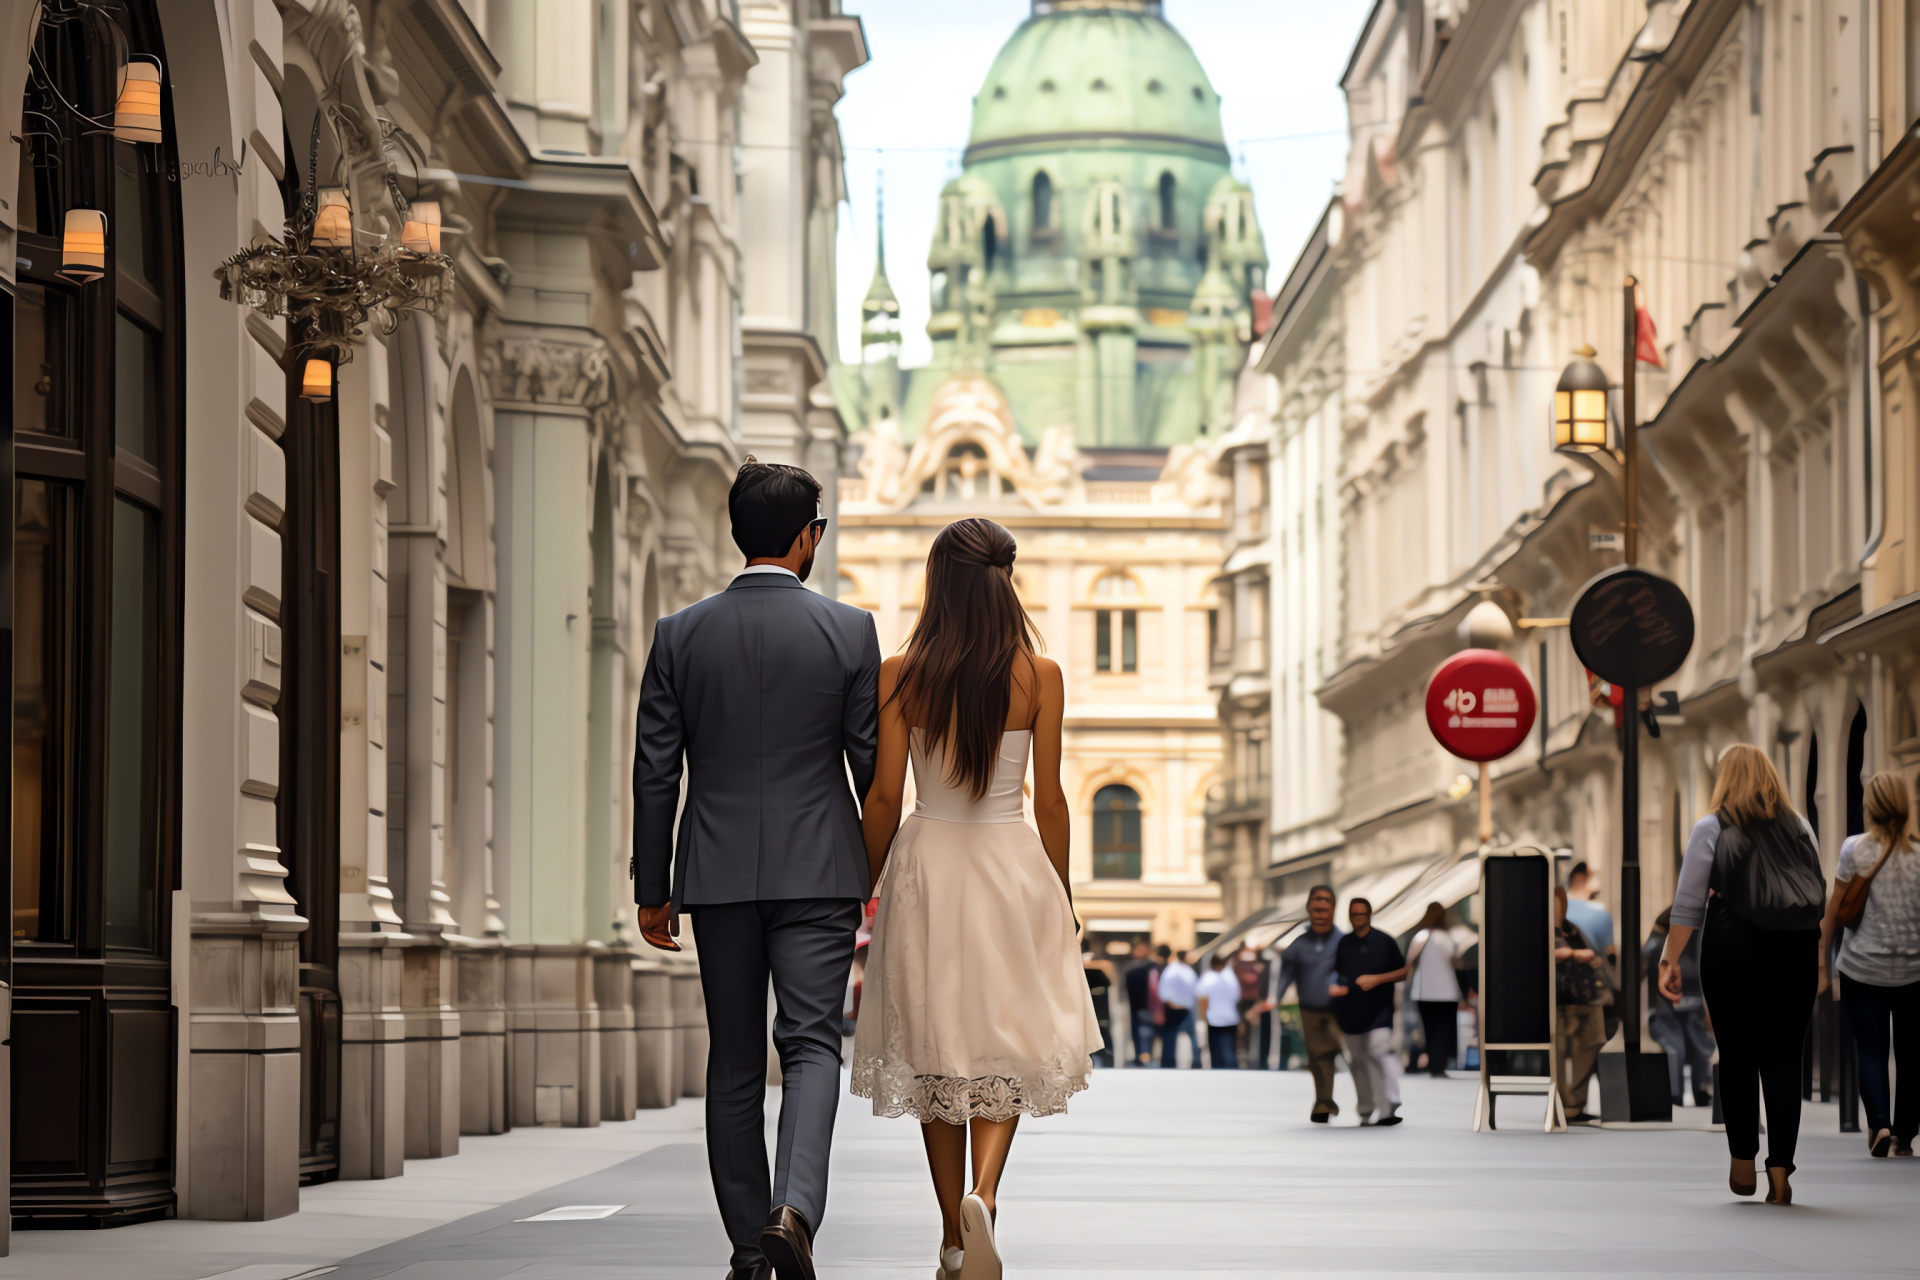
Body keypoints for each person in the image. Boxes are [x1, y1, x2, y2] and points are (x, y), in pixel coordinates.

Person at [633, 459, 881, 1280]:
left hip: (718, 873)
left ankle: (749, 1249)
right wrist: (874, 867)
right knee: (812, 1044)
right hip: (821, 870)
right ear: (809, 537)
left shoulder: (680, 633)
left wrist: (653, 888)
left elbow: (656, 770)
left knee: (734, 1057)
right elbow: (869, 763)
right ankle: (793, 1211)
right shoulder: (851, 631)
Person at [850, 517, 1102, 1280]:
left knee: (935, 1047)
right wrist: (1061, 892)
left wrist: (861, 881)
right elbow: (1050, 799)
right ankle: (985, 1196)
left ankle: (950, 1237)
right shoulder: (1042, 674)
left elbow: (886, 795)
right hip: (1011, 861)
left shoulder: (901, 672)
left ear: (939, 579)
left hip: (929, 864)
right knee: (1006, 1039)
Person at [1660, 744, 1826, 1206]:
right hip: (1794, 954)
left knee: (1735, 1055)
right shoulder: (1801, 828)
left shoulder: (1711, 827)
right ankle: (1779, 1168)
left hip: (1732, 950)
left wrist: (1670, 959)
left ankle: (1741, 1158)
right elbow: (1817, 894)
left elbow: (1690, 902)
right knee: (1784, 1059)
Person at [1818, 771, 1919, 1158]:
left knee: (1872, 1051)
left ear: (1869, 806)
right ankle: (1906, 1135)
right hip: (1914, 972)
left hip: (1862, 970)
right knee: (1912, 1056)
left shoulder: (1855, 850)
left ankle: (1879, 1124)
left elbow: (1834, 910)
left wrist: (1823, 967)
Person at [1262, 885, 1345, 1121]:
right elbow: (1286, 974)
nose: (1320, 912)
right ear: (1308, 909)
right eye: (1315, 907)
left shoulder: (1343, 942)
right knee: (1319, 1057)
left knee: (1344, 1054)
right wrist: (1275, 998)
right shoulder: (1298, 945)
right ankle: (1323, 1102)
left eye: (1325, 906)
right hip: (1309, 1009)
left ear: (1333, 909)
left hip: (1340, 1010)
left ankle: (1367, 1102)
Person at [1328, 897, 1408, 1126]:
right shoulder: (1344, 943)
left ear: (1370, 915)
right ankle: (1365, 1106)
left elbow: (1403, 972)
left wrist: (1377, 979)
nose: (1357, 919)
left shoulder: (1385, 941)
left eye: (1361, 914)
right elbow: (1337, 973)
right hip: (1350, 1012)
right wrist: (1335, 987)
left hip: (1379, 1011)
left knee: (1377, 1053)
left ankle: (1386, 1108)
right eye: (1353, 914)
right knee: (1357, 1060)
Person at [1644, 908, 1713, 1108]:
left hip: (1682, 1005)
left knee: (1689, 1049)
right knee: (1681, 1049)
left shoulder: (1658, 941)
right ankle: (1685, 1092)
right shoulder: (1668, 941)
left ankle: (1683, 1093)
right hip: (1675, 1006)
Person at [1553, 885, 1607, 1124]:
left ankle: (1575, 1105)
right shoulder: (1543, 930)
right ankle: (1564, 1105)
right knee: (1562, 1053)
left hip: (1586, 997)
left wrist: (1593, 959)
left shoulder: (1571, 928)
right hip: (1560, 1000)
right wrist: (1574, 955)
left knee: (1589, 1048)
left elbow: (1590, 951)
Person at [1405, 903, 1461, 1077]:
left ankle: (1434, 1065)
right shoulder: (1445, 938)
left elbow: (1409, 961)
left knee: (1430, 1030)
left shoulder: (1421, 936)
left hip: (1424, 993)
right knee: (1444, 1030)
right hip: (1447, 993)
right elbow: (1455, 962)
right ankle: (1440, 1065)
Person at [1197, 953, 1243, 1068]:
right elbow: (1237, 997)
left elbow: (1202, 999)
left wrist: (1202, 1018)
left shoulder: (1208, 978)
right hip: (1231, 1018)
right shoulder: (1231, 977)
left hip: (1213, 1019)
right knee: (1230, 1051)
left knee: (1216, 1053)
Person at [1157, 949, 1201, 1068]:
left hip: (1180, 1008)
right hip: (1177, 1008)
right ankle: (1170, 1062)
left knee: (1176, 1038)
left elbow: (1164, 992)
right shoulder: (1180, 971)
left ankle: (1172, 1061)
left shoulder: (1176, 970)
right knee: (1173, 1038)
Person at [1233, 945, 1271, 1069]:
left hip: (1254, 1004)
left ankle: (1253, 1060)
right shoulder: (1258, 970)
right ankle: (1247, 1058)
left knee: (1253, 1034)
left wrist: (1255, 1009)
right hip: (1244, 1003)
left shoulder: (1261, 971)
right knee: (1244, 1032)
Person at [1123, 942, 1158, 1067]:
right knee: (1144, 1035)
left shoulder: (1134, 969)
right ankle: (1145, 1057)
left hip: (1143, 1007)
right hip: (1140, 1007)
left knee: (1143, 1035)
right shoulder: (1150, 968)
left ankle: (1143, 1058)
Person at [1083, 950, 1117, 1069]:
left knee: (1103, 1036)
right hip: (1086, 1016)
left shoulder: (1099, 972)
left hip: (1100, 1014)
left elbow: (1108, 969)